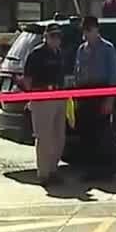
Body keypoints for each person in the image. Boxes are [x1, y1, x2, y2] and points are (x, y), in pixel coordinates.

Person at [72, 16, 116, 181]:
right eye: (84, 31)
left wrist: (110, 99)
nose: (86, 35)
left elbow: (114, 76)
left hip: (101, 92)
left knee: (103, 133)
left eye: (89, 31)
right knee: (87, 134)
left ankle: (106, 171)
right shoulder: (81, 50)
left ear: (96, 30)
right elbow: (77, 74)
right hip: (85, 94)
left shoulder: (107, 49)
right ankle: (90, 171)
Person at [23, 24, 68, 186]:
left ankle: (53, 170)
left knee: (59, 137)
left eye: (58, 36)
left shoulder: (60, 54)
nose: (56, 39)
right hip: (42, 98)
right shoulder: (36, 54)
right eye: (52, 36)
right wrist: (34, 97)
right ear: (46, 37)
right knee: (44, 138)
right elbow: (27, 80)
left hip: (59, 96)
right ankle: (43, 174)